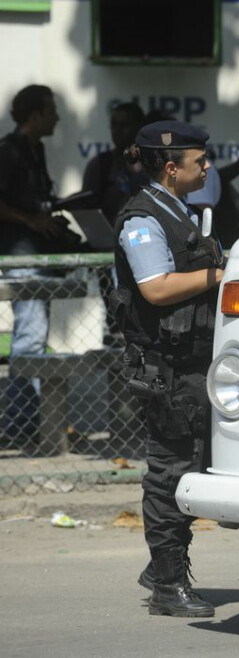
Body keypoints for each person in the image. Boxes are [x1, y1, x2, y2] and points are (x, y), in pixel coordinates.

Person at [111, 120, 223, 618]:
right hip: (165, 367)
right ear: (172, 167)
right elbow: (155, 288)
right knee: (170, 473)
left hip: (191, 363)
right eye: (201, 161)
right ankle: (167, 587)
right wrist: (220, 273)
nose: (208, 167)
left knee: (192, 466)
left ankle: (161, 569)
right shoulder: (142, 220)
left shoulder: (178, 212)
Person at [0, 84, 79, 445]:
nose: (57, 117)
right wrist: (31, 221)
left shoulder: (35, 149)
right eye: (51, 111)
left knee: (34, 340)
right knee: (30, 342)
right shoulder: (11, 151)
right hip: (23, 257)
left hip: (36, 255)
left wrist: (54, 212)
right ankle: (19, 426)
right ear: (35, 116)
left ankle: (28, 422)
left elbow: (35, 201)